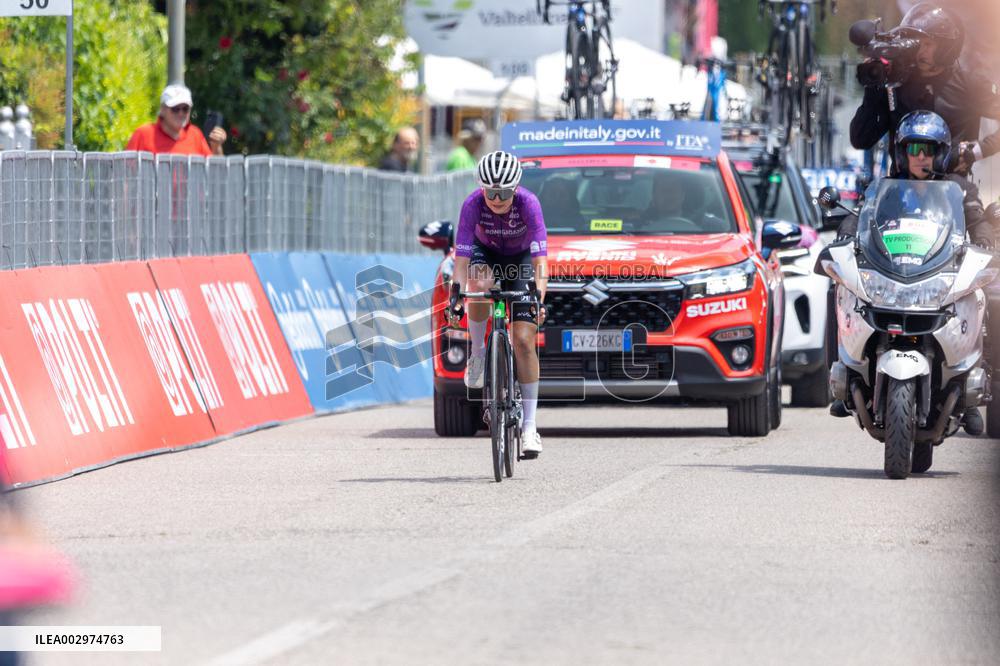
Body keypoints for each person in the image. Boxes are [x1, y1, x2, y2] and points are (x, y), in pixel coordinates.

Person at [830, 111, 993, 434]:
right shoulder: (885, 189)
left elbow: (977, 220)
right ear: (901, 153)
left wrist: (988, 244)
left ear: (941, 152)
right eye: (913, 149)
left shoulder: (958, 188)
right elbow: (861, 216)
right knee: (837, 283)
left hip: (941, 274)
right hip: (893, 273)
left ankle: (975, 379)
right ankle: (845, 370)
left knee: (984, 294)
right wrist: (845, 236)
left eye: (929, 149)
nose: (921, 157)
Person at [449, 151, 549, 457]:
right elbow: (462, 258)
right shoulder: (472, 205)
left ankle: (530, 427)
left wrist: (538, 297)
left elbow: (540, 259)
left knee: (523, 340)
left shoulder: (529, 203)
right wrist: (455, 294)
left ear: (515, 188)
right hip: (485, 254)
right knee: (477, 282)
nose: (496, 198)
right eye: (490, 191)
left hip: (519, 260)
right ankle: (478, 354)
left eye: (503, 192)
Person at [849, 3, 1000, 175]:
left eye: (928, 44)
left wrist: (978, 150)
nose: (920, 52)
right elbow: (861, 139)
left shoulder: (969, 83)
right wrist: (875, 85)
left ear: (946, 46)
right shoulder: (897, 82)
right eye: (917, 44)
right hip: (900, 191)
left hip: (954, 192)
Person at [126, 84, 226, 157]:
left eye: (185, 108)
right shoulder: (143, 134)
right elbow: (126, 171)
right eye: (175, 108)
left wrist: (216, 147)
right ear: (163, 109)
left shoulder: (195, 134)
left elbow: (215, 174)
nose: (181, 113)